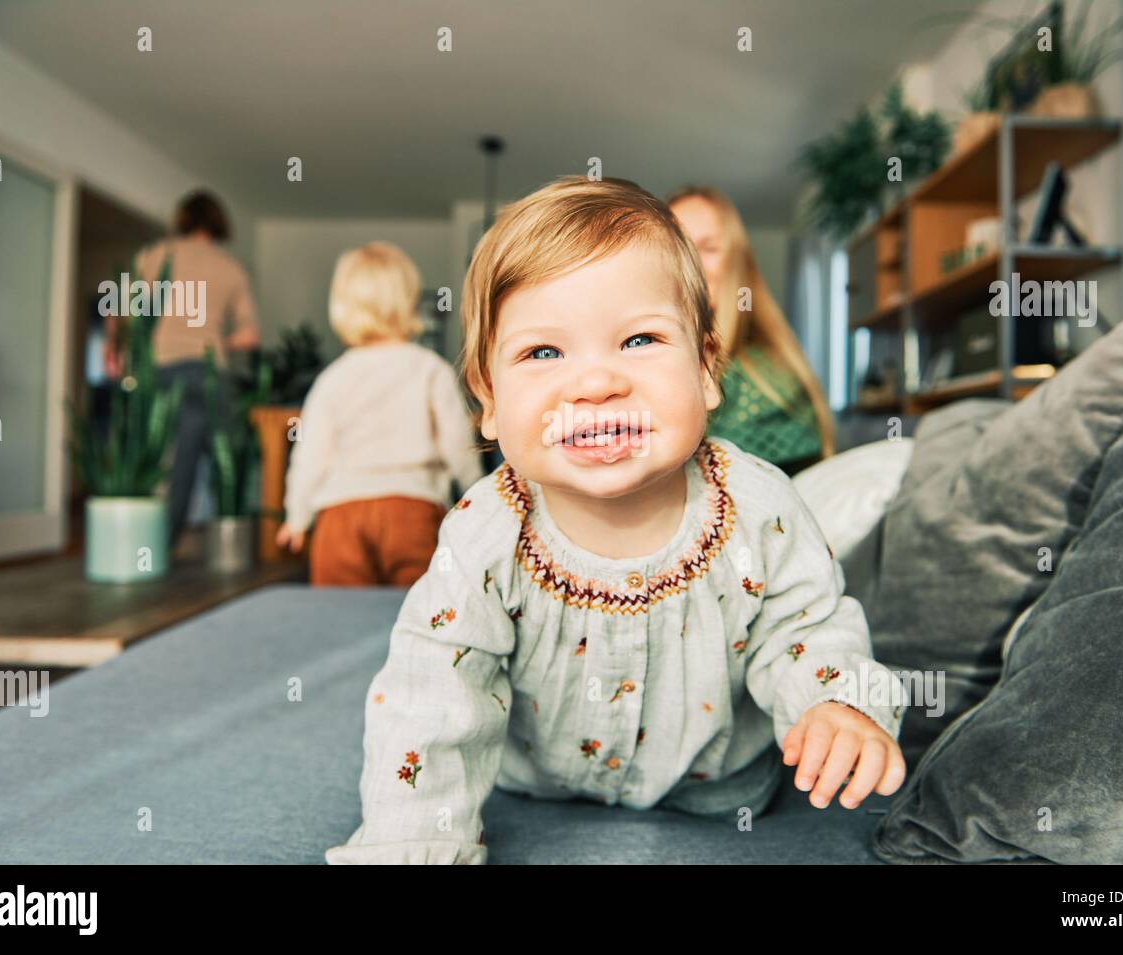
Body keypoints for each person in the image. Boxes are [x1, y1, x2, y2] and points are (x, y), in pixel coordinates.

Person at [324, 176, 905, 864]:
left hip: (720, 791)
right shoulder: (485, 534)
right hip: (533, 784)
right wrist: (413, 842)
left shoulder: (758, 507)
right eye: (544, 352)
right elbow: (431, 693)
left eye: (639, 339)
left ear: (707, 368)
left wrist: (839, 705)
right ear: (486, 396)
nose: (596, 383)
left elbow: (807, 624)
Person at [275, 242, 484, 587]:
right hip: (413, 510)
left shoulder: (332, 378)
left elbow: (311, 456)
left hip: (340, 515)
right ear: (409, 301)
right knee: (421, 614)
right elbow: (457, 443)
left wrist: (296, 518)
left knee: (338, 617)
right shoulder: (430, 369)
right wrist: (478, 500)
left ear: (342, 307)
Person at [668, 185, 836, 475]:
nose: (692, 262)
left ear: (737, 263)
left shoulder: (763, 376)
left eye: (708, 248)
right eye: (678, 247)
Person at [128, 190, 261, 550]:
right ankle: (231, 550)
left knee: (171, 464)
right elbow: (250, 336)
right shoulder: (230, 269)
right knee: (225, 462)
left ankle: (157, 548)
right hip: (209, 374)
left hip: (163, 371)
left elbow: (125, 315)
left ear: (183, 218)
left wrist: (117, 351)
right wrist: (214, 339)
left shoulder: (153, 257)